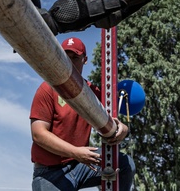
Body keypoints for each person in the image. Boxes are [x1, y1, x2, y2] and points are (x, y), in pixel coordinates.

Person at [31, 37, 134, 191]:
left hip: (81, 165)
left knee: (126, 164)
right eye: (66, 57)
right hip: (49, 173)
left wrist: (123, 129)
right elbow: (38, 134)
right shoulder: (48, 89)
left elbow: (113, 119)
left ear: (85, 60)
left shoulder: (93, 92)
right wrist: (76, 152)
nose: (70, 62)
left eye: (75, 57)